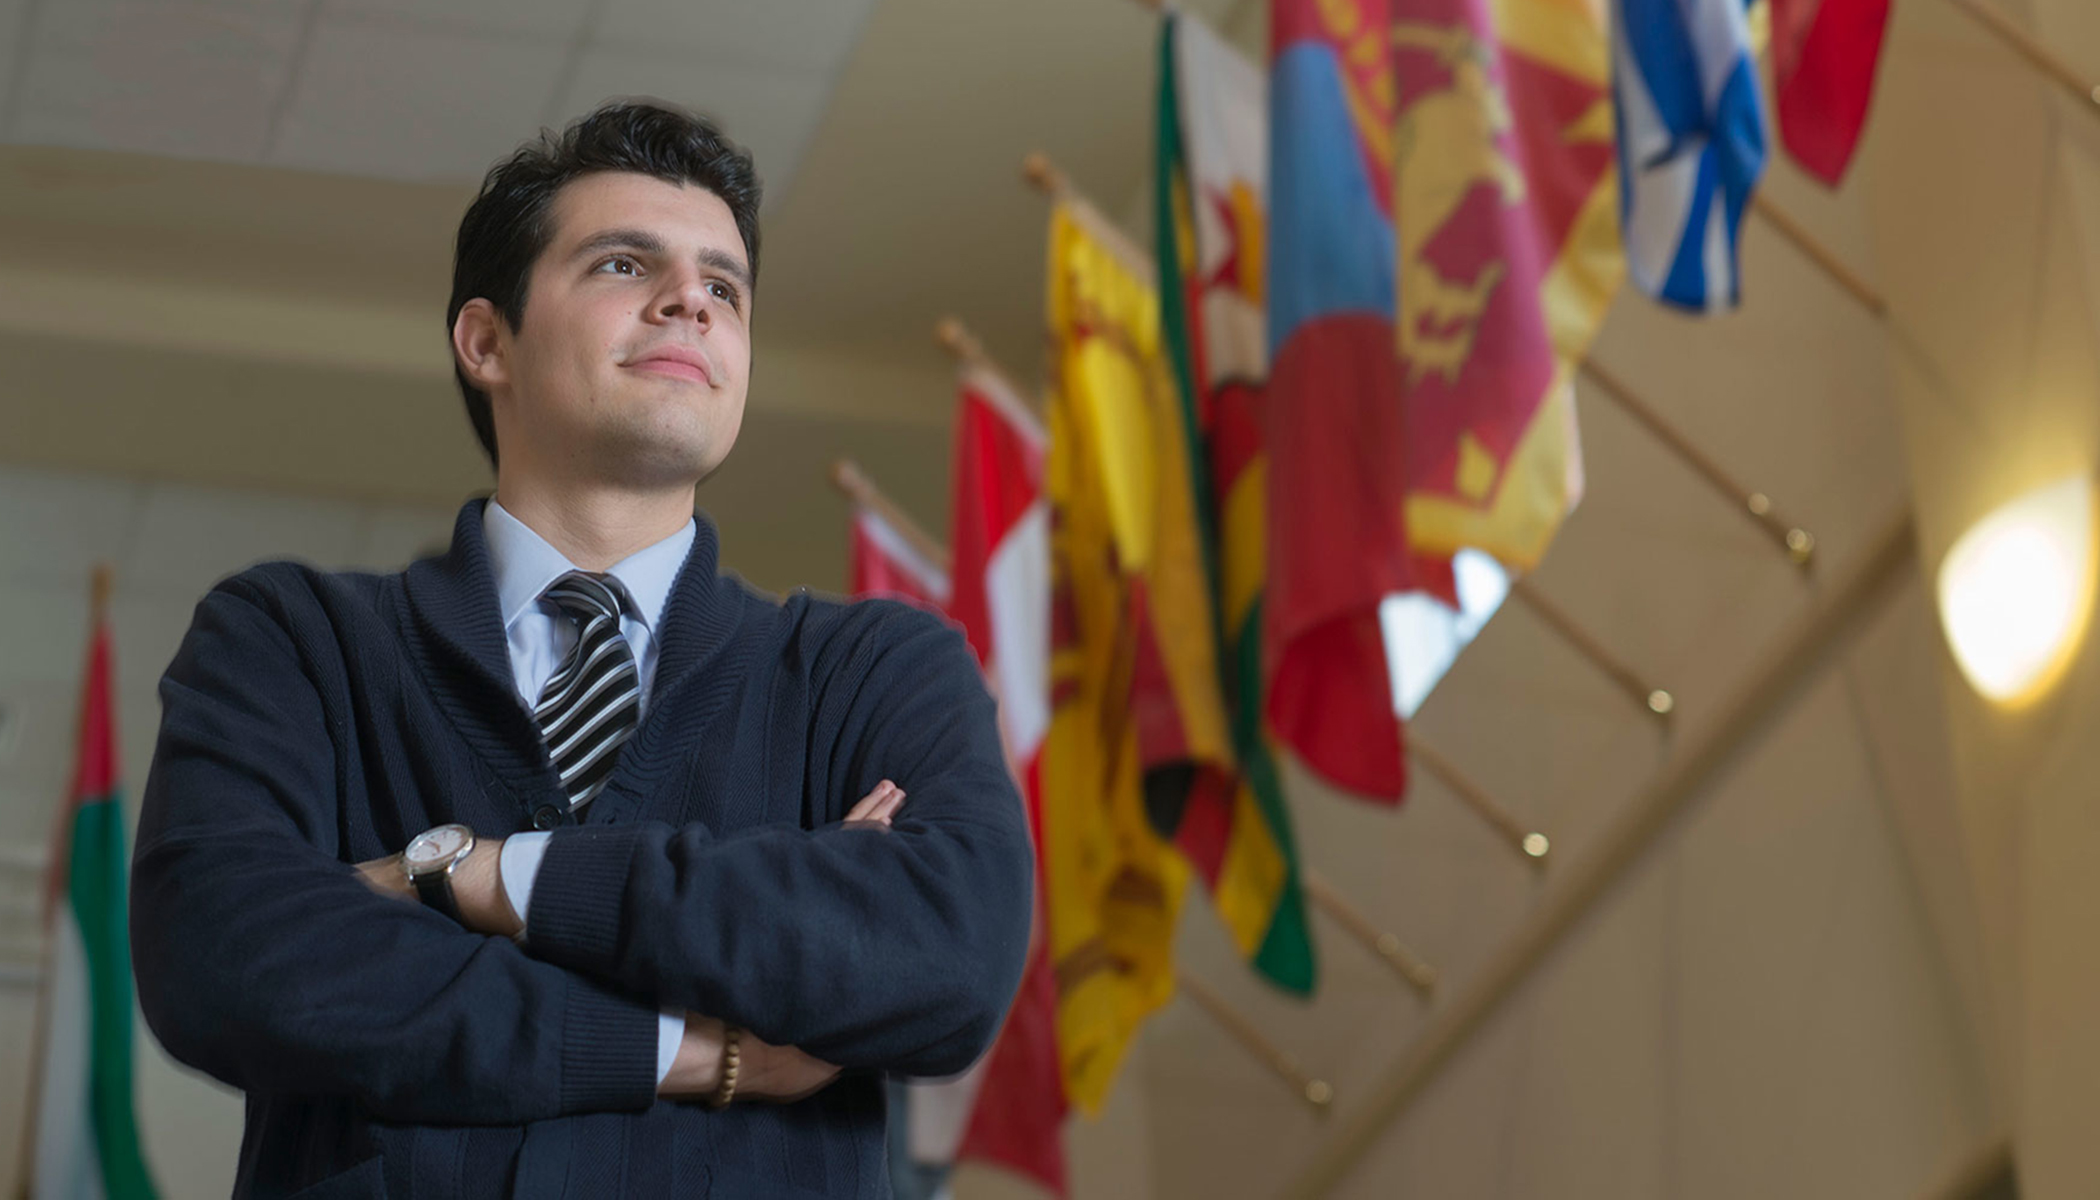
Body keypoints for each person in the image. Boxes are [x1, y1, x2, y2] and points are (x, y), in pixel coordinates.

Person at [130, 101, 1034, 1199]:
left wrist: (478, 874)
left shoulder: (879, 671)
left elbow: (945, 954)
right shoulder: (291, 643)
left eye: (726, 287)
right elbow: (222, 957)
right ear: (485, 341)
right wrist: (693, 1053)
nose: (691, 300)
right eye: (623, 262)